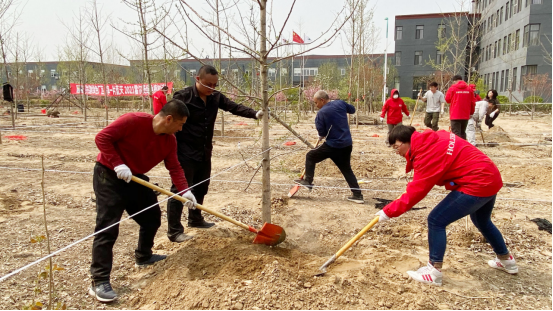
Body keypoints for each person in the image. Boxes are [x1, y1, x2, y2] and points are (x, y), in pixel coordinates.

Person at [375, 125, 518, 287]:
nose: (397, 152)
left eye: (396, 146)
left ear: (407, 141)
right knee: (482, 221)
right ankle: (507, 261)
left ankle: (434, 272)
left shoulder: (426, 154)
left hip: (477, 182)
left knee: (436, 220)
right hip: (490, 176)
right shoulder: (434, 138)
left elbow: (417, 191)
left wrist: (388, 211)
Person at [89, 100, 197, 302]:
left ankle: (144, 256)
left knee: (151, 217)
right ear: (169, 119)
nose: (181, 129)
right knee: (108, 226)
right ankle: (99, 280)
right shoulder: (133, 121)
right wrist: (118, 164)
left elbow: (174, 167)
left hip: (135, 177)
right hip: (109, 175)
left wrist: (185, 191)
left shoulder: (169, 140)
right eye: (181, 124)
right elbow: (102, 137)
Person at [167, 65, 264, 242]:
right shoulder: (183, 97)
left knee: (201, 186)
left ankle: (195, 219)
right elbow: (169, 118)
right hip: (184, 151)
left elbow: (233, 107)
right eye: (208, 84)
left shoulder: (216, 98)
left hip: (204, 151)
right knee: (181, 189)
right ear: (198, 79)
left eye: (215, 84)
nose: (212, 88)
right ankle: (174, 231)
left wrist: (255, 114)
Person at [294, 90, 364, 203]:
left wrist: (321, 135)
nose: (316, 106)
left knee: (310, 156)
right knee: (346, 170)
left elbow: (322, 132)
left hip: (333, 146)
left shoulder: (321, 113)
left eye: (316, 103)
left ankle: (308, 181)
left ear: (322, 100)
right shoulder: (340, 103)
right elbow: (352, 109)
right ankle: (357, 195)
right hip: (347, 144)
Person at [445, 75, 476, 140]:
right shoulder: (469, 89)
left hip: (455, 114)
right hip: (465, 115)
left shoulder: (452, 88)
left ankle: (457, 147)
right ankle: (463, 147)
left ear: (454, 81)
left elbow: (447, 99)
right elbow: (473, 102)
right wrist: (471, 112)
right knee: (462, 133)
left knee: (456, 133)